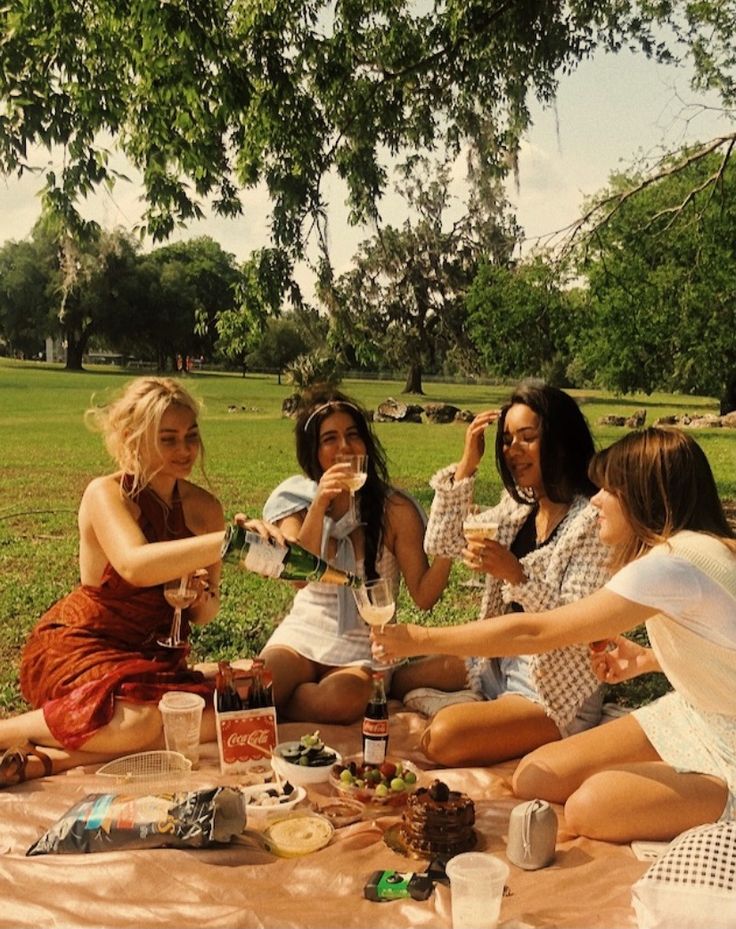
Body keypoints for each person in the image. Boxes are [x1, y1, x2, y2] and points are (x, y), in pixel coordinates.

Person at [374, 427, 736, 843]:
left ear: (646, 497)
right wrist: (649, 660)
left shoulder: (671, 563)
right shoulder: (700, 549)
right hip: (696, 715)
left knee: (588, 808)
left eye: (609, 490)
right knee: (533, 778)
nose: (595, 501)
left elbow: (536, 631)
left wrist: (419, 638)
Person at [0, 376, 276, 787]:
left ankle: (53, 760)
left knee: (217, 716)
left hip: (155, 658)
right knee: (144, 721)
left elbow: (205, 613)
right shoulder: (106, 494)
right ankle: (8, 732)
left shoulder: (204, 509)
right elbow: (135, 565)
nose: (184, 450)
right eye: (168, 439)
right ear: (133, 437)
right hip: (87, 645)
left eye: (191, 436)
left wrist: (200, 597)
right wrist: (230, 543)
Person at [389, 380, 612, 766]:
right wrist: (467, 465)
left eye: (528, 438)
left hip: (552, 689)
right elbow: (440, 543)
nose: (513, 451)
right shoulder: (517, 509)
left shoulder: (593, 522)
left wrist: (516, 576)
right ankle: (474, 701)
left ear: (560, 440)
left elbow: (574, 628)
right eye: (507, 440)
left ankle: (469, 711)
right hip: (495, 662)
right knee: (397, 679)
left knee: (443, 737)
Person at [259, 386, 452, 724]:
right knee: (261, 682)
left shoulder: (395, 508)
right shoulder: (296, 498)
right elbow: (297, 579)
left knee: (343, 699)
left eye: (352, 435)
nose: (344, 447)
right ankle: (273, 698)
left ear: (366, 443)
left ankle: (280, 707)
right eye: (329, 439)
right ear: (313, 451)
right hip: (304, 631)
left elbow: (424, 597)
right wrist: (319, 504)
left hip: (366, 643)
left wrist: (450, 548)